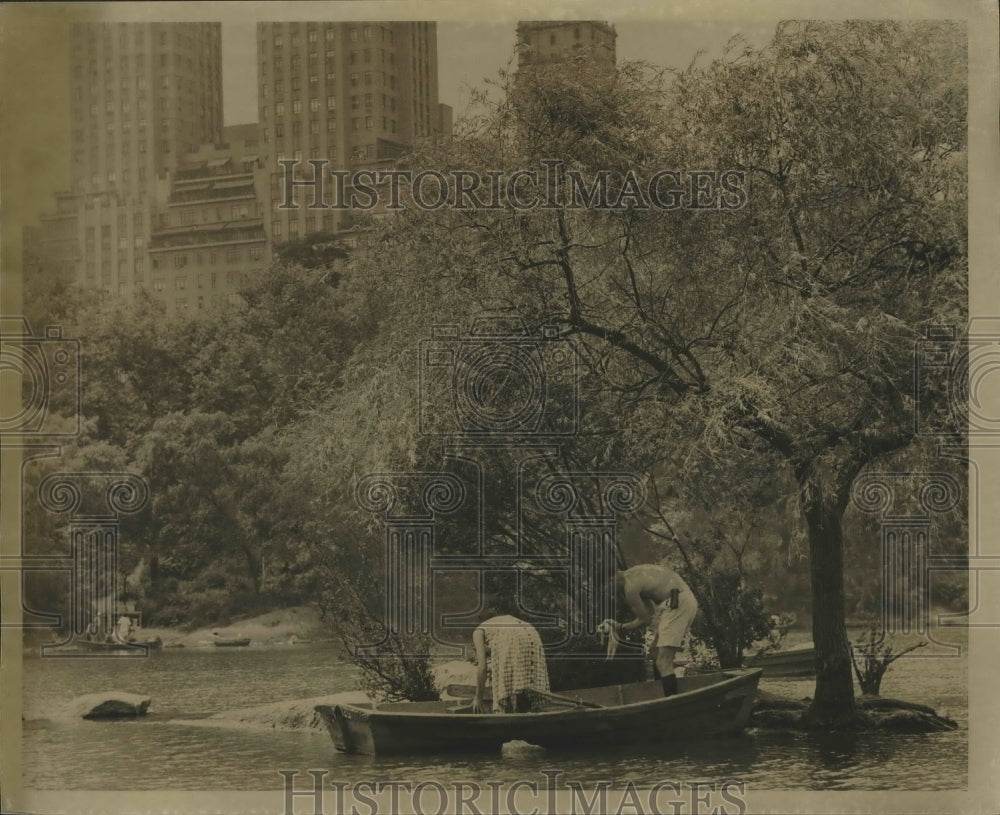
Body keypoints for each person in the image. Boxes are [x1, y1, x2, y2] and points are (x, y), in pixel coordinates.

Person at [612, 563, 698, 697]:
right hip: (682, 600)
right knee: (655, 651)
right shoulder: (635, 574)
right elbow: (651, 616)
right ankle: (663, 694)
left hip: (677, 602)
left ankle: (671, 704)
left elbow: (644, 620)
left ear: (613, 578)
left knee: (663, 662)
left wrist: (619, 626)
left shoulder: (630, 588)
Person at [471, 614, 551, 714]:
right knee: (522, 682)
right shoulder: (494, 627)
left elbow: (482, 668)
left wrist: (478, 698)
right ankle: (528, 711)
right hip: (531, 631)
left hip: (512, 635)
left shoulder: (477, 632)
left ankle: (509, 714)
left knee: (509, 685)